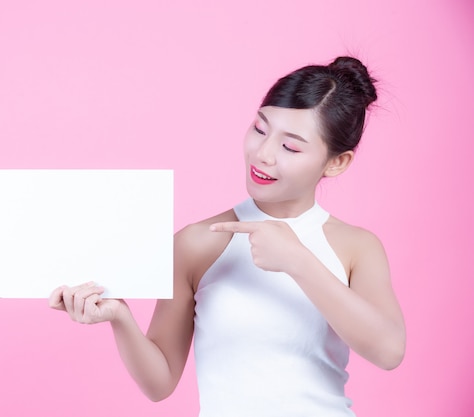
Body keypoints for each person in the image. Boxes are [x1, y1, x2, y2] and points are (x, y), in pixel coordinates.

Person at [49, 56, 406, 416]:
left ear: (337, 162)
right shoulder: (196, 243)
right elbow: (159, 384)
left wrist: (298, 261)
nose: (263, 154)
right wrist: (119, 316)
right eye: (260, 128)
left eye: (291, 147)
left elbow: (389, 351)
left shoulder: (357, 247)